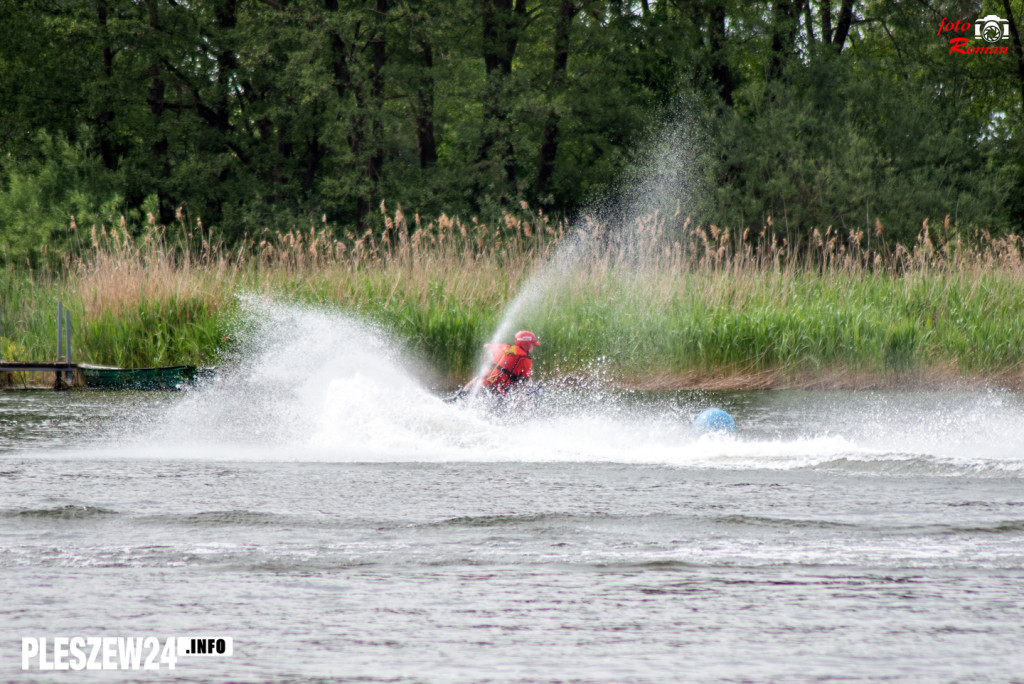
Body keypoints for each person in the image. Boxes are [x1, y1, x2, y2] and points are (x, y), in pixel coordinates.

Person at [454, 330, 541, 400]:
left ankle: (459, 396)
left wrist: (488, 360)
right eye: (533, 345)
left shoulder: (505, 347)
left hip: (482, 384)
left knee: (480, 376)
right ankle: (523, 418)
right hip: (497, 392)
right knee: (522, 396)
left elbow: (486, 346)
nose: (534, 348)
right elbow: (525, 382)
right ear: (527, 344)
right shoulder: (525, 359)